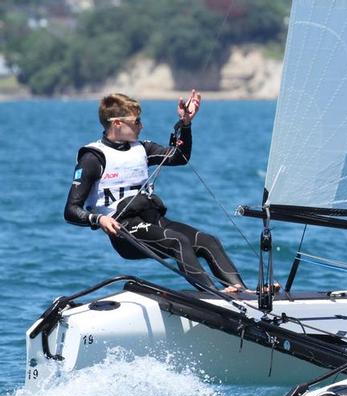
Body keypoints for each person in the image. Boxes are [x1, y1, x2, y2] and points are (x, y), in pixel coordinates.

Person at [64, 91, 249, 293]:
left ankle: (242, 292)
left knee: (207, 241)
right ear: (117, 123)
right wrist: (99, 219)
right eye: (136, 121)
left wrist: (185, 124)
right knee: (178, 241)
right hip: (124, 231)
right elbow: (71, 210)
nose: (141, 126)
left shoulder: (142, 148)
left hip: (153, 220)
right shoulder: (93, 158)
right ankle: (215, 296)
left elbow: (180, 157)